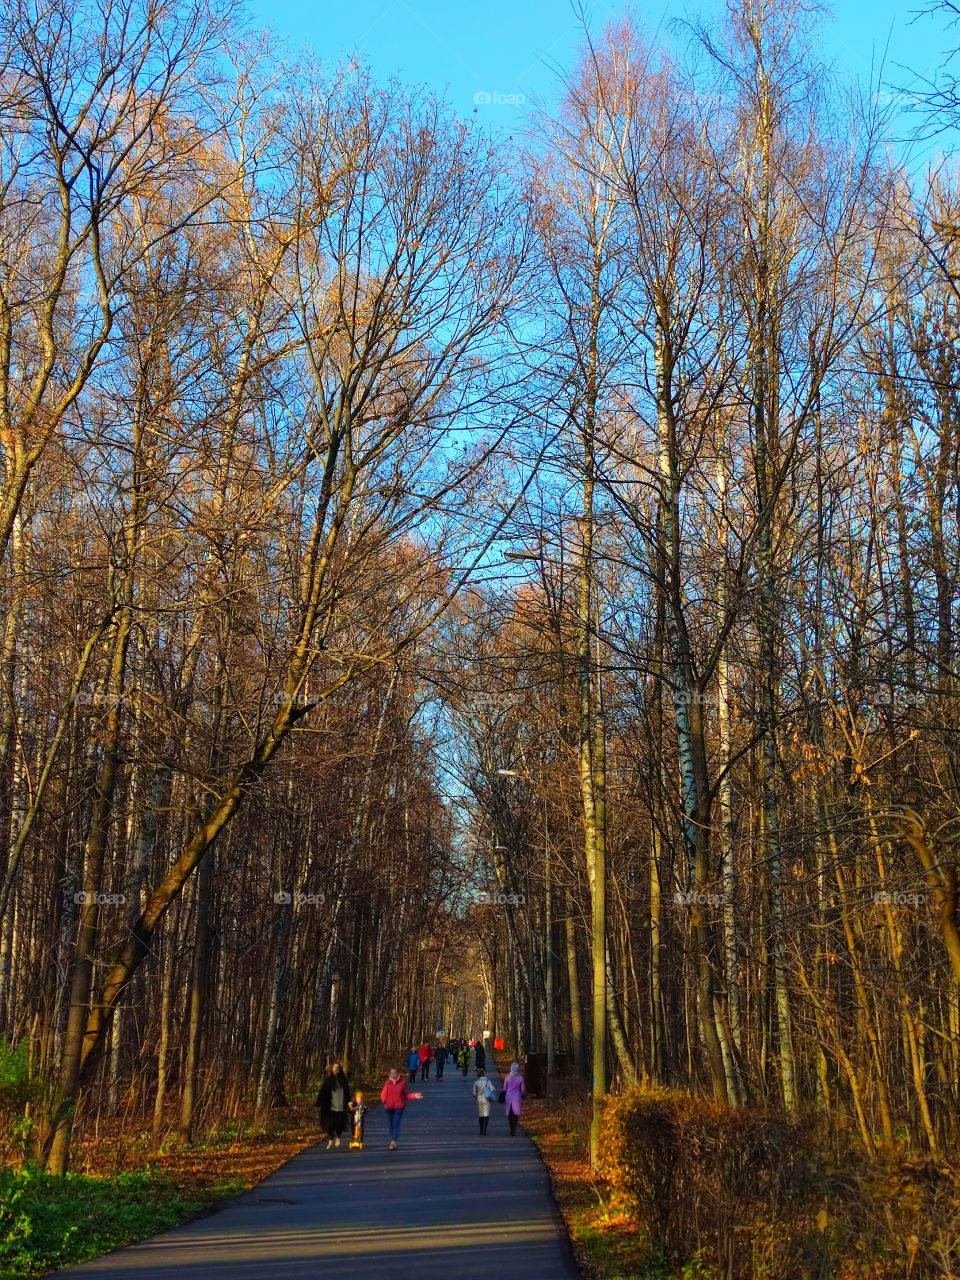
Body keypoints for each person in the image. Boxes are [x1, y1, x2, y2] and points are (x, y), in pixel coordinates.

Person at [380, 1066, 422, 1149]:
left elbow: (406, 1094)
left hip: (399, 1107)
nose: (393, 1075)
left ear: (398, 1073)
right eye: (391, 1073)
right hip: (389, 1107)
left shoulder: (402, 1083)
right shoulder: (387, 1083)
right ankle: (393, 1140)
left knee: (396, 1124)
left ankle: (393, 1141)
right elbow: (383, 1095)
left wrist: (414, 1096)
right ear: (389, 1074)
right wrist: (385, 1102)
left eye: (394, 1073)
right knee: (391, 1124)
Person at [315, 1061, 351, 1148]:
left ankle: (338, 1137)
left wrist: (349, 1101)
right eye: (335, 1068)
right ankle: (331, 1140)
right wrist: (318, 1102)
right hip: (330, 1106)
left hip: (340, 1106)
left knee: (339, 1124)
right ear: (332, 1069)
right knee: (329, 1125)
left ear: (340, 1069)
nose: (336, 1069)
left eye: (338, 1068)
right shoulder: (328, 1080)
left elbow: (347, 1092)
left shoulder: (343, 1080)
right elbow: (322, 1092)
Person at [503, 1060, 526, 1136]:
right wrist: (522, 1094)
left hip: (509, 1096)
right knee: (516, 1113)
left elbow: (504, 1088)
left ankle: (511, 1128)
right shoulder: (520, 1078)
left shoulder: (507, 1078)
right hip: (517, 1097)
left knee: (510, 1113)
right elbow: (522, 1090)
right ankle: (514, 1128)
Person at [472, 1067, 496, 1135]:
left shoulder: (476, 1082)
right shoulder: (487, 1081)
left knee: (481, 1114)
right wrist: (488, 1091)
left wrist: (476, 1096)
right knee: (486, 1114)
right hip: (486, 1098)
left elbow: (474, 1093)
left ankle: (481, 1130)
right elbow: (493, 1089)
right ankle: (484, 1130)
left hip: (479, 1098)